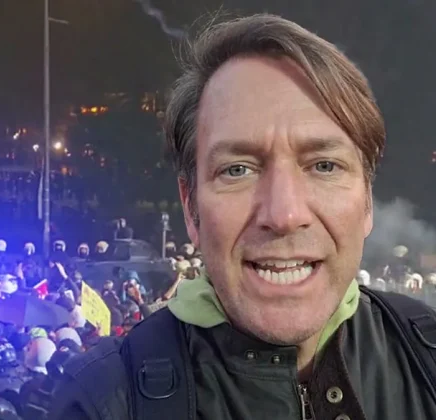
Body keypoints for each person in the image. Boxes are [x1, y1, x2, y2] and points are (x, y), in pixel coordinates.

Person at [46, 13, 436, 420]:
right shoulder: (102, 403)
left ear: (368, 201)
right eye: (237, 170)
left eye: (324, 166)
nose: (284, 214)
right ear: (191, 209)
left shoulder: (426, 355)